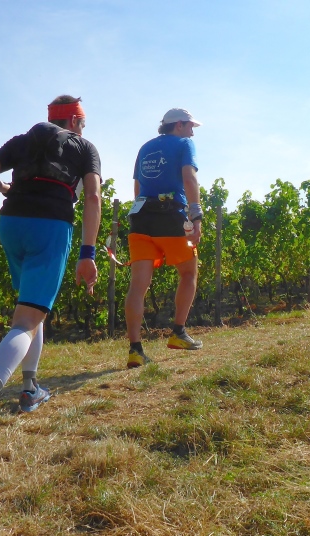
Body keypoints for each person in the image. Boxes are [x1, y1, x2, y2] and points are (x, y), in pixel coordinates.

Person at [0, 95, 102, 456]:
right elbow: (92, 198)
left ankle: (30, 387)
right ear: (75, 121)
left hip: (11, 223)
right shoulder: (84, 147)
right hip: (50, 225)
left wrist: (5, 188)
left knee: (32, 309)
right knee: (27, 320)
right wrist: (88, 253)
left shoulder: (22, 141)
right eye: (83, 123)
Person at [124, 108, 204, 368]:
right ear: (178, 125)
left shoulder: (145, 147)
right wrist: (196, 215)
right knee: (189, 273)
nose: (192, 132)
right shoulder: (184, 144)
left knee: (138, 286)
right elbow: (189, 179)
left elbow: (137, 188)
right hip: (171, 217)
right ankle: (178, 333)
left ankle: (135, 350)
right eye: (190, 126)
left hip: (140, 219)